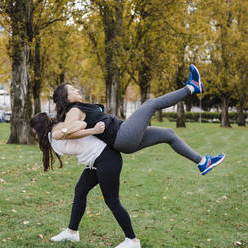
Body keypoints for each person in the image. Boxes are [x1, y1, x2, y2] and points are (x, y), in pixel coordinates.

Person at [52, 64, 225, 176]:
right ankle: (191, 87)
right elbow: (64, 133)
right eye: (72, 90)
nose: (77, 91)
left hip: (124, 136)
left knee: (169, 134)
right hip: (122, 136)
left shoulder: (79, 108)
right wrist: (92, 131)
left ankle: (203, 162)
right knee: (150, 104)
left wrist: (90, 129)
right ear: (66, 98)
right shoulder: (73, 111)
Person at [30, 112, 141, 248]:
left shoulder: (59, 131)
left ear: (40, 128)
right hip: (96, 161)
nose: (34, 135)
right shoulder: (54, 135)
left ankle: (132, 240)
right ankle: (72, 232)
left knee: (112, 200)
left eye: (34, 131)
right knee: (80, 191)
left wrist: (84, 131)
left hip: (106, 159)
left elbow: (80, 126)